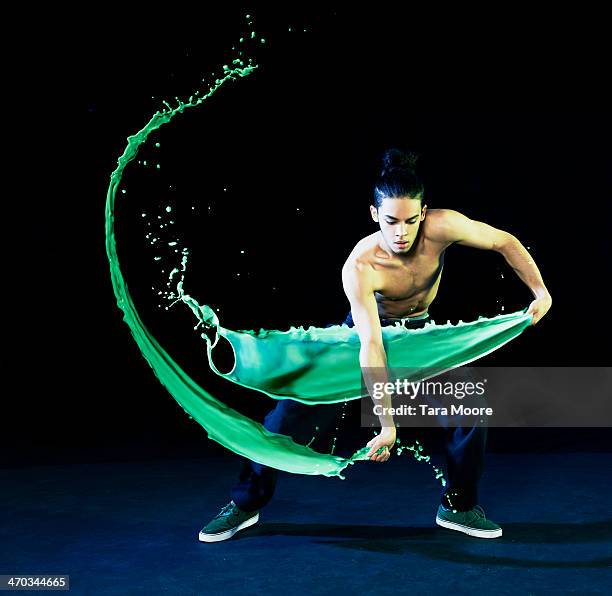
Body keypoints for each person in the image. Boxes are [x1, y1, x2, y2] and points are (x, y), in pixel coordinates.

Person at [198, 148, 552, 542]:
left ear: (425, 212)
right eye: (390, 221)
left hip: (419, 338)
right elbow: (372, 345)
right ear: (373, 214)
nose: (401, 232)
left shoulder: (444, 226)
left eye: (411, 221)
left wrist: (540, 291)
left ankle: (459, 506)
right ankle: (245, 504)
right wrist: (387, 422)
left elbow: (504, 241)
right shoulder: (361, 266)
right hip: (362, 339)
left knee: (469, 407)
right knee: (288, 419)